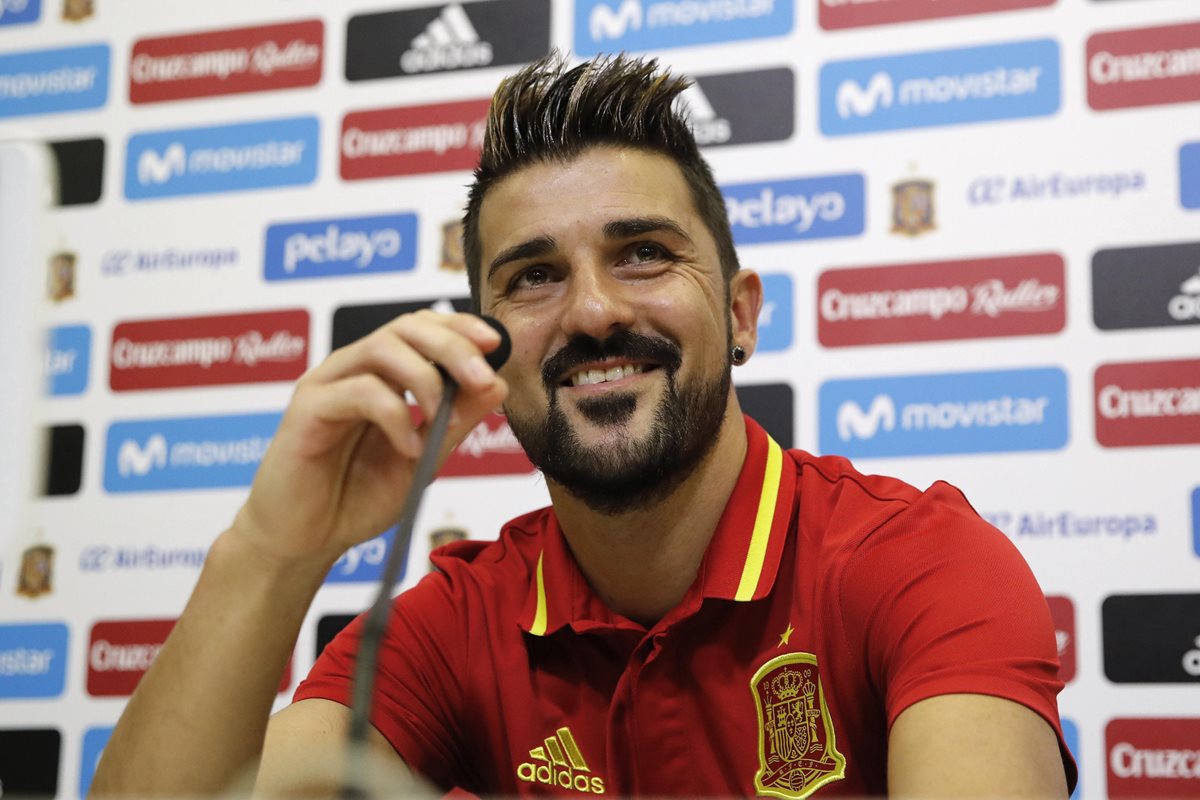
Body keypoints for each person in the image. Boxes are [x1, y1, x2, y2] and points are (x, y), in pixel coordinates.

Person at [91, 53, 1075, 798]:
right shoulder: (453, 621)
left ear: (739, 314)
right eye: (533, 275)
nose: (594, 310)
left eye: (642, 252)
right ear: (481, 345)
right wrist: (272, 546)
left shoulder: (922, 562)